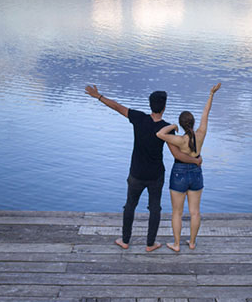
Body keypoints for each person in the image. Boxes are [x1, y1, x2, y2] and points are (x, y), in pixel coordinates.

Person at [85, 85, 202, 252]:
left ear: (150, 105)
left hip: (136, 173)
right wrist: (195, 160)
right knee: (154, 208)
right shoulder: (166, 128)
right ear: (164, 107)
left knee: (130, 205)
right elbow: (177, 155)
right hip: (155, 175)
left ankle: (125, 240)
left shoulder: (138, 118)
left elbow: (117, 106)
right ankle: (150, 244)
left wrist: (98, 96)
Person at [156, 83, 220, 252]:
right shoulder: (201, 134)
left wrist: (172, 127)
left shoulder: (179, 140)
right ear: (192, 122)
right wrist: (211, 94)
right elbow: (206, 113)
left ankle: (176, 244)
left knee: (177, 212)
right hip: (196, 173)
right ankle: (192, 243)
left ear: (182, 124)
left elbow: (160, 134)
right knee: (195, 212)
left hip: (179, 173)